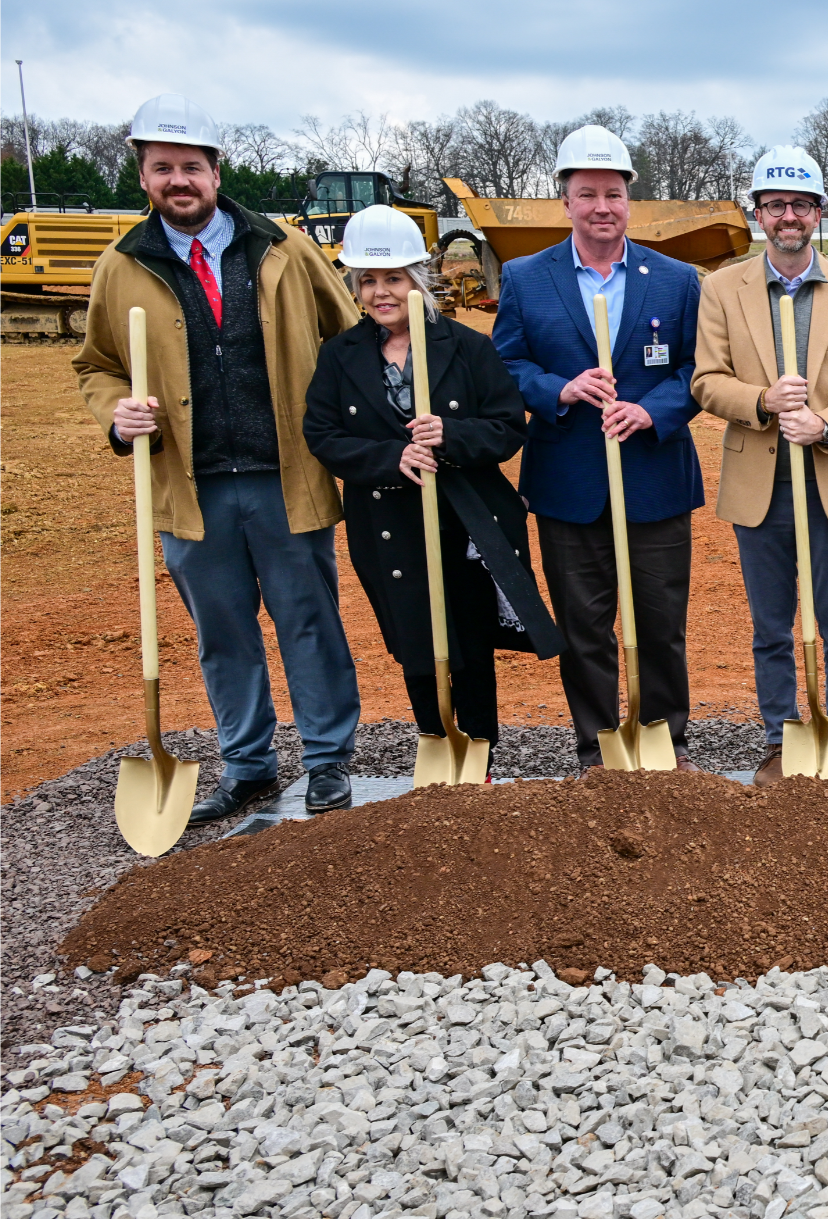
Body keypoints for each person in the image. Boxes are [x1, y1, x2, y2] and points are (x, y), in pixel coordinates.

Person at [75, 94, 361, 824]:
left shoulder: (285, 249)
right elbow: (96, 365)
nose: (179, 180)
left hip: (285, 478)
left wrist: (344, 421)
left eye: (191, 167)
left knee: (309, 622)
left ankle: (327, 761)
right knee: (223, 633)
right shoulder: (121, 266)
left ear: (216, 171)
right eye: (162, 167)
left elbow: (351, 337)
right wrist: (116, 411)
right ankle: (249, 765)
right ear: (142, 175)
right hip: (189, 487)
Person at [303, 206, 563, 768]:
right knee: (413, 638)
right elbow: (322, 434)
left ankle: (480, 754)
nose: (381, 293)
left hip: (464, 523)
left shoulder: (467, 348)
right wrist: (391, 456)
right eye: (368, 281)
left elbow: (506, 427)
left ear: (419, 279)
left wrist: (449, 435)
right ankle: (436, 738)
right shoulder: (341, 355)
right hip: (386, 526)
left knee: (468, 641)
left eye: (393, 278)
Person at [493, 125, 705, 771]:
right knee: (585, 627)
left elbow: (698, 368)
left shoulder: (674, 280)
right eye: (587, 194)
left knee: (660, 622)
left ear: (629, 200)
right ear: (565, 201)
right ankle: (596, 748)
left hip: (654, 477)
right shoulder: (527, 278)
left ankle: (666, 741)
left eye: (613, 193)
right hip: (568, 479)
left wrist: (652, 410)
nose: (602, 207)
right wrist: (559, 389)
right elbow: (505, 366)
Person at [692, 147, 828, 783]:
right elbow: (706, 380)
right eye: (775, 205)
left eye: (800, 205)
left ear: (819, 213)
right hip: (761, 484)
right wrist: (762, 402)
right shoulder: (723, 289)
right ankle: (780, 739)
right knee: (772, 626)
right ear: (758, 213)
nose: (788, 216)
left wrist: (826, 423)